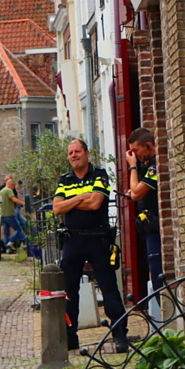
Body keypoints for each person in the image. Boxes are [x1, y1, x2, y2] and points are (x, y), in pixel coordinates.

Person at [54, 139, 128, 353]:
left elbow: (95, 203)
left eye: (77, 151)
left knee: (108, 287)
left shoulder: (100, 175)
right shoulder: (64, 179)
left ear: (87, 153)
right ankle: (70, 337)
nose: (74, 155)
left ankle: (120, 334)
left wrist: (71, 202)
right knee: (69, 290)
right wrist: (80, 197)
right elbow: (57, 209)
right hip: (72, 239)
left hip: (98, 238)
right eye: (70, 153)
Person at [125, 127, 163, 294]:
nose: (134, 155)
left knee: (157, 274)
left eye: (136, 150)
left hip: (156, 227)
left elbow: (136, 193)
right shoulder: (148, 167)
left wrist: (132, 167)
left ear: (149, 145)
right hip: (148, 228)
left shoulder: (155, 166)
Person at [0, 176, 26, 252]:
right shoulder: (8, 190)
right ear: (11, 185)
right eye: (13, 186)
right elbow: (14, 199)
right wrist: (24, 203)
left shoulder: (1, 191)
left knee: (6, 232)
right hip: (9, 214)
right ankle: (11, 242)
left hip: (2, 215)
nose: (14, 188)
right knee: (18, 229)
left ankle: (7, 249)